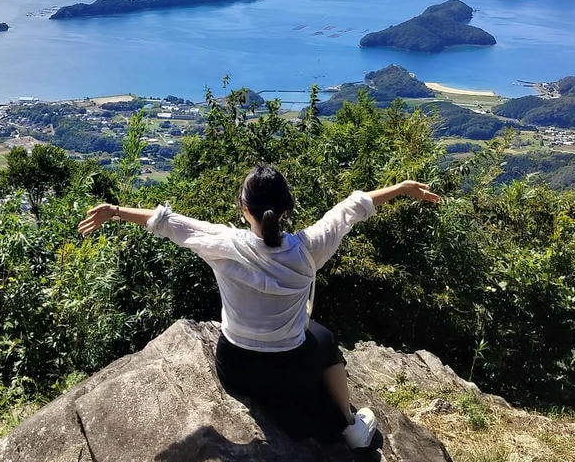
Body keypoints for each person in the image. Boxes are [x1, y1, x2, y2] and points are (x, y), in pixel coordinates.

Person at [78, 165, 441, 447]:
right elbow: (350, 209)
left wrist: (115, 210)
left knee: (313, 338)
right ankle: (350, 426)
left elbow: (166, 223)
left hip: (235, 367)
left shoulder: (223, 244)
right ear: (286, 207)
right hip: (288, 370)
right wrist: (402, 189)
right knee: (324, 339)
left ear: (243, 209)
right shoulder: (309, 248)